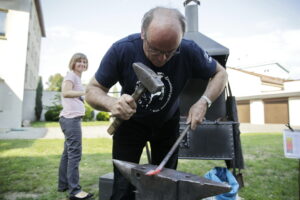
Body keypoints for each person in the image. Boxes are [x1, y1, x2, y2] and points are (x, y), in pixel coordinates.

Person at [86, 7, 227, 200]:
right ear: (143, 33)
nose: (161, 59)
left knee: (167, 188)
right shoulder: (122, 50)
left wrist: (204, 101)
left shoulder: (189, 50)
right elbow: (92, 90)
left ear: (180, 39)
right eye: (154, 49)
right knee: (122, 188)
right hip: (129, 126)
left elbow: (221, 73)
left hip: (167, 125)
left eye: (170, 52)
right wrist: (111, 103)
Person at [58, 53, 93, 200]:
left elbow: (82, 97)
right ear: (73, 63)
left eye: (85, 62)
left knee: (67, 154)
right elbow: (66, 93)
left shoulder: (77, 78)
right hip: (70, 119)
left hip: (71, 119)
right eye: (79, 61)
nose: (82, 64)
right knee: (74, 154)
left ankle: (63, 185)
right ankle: (74, 191)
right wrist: (84, 91)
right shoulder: (71, 76)